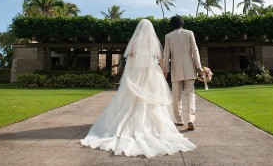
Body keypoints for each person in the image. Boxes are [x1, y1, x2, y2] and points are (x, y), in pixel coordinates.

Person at [81, 19, 196, 158]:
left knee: (131, 100)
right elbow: (160, 58)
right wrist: (164, 70)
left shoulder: (135, 41)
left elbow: (131, 58)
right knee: (154, 100)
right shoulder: (154, 41)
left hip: (138, 73)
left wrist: (130, 73)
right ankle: (158, 125)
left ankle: (130, 124)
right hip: (152, 72)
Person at [163, 15, 202, 131]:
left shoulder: (168, 36)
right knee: (190, 94)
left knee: (176, 95)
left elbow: (166, 54)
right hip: (189, 68)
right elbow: (195, 49)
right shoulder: (189, 33)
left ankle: (179, 119)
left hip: (176, 69)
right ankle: (190, 119)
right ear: (182, 23)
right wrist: (198, 66)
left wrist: (166, 69)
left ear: (172, 24)